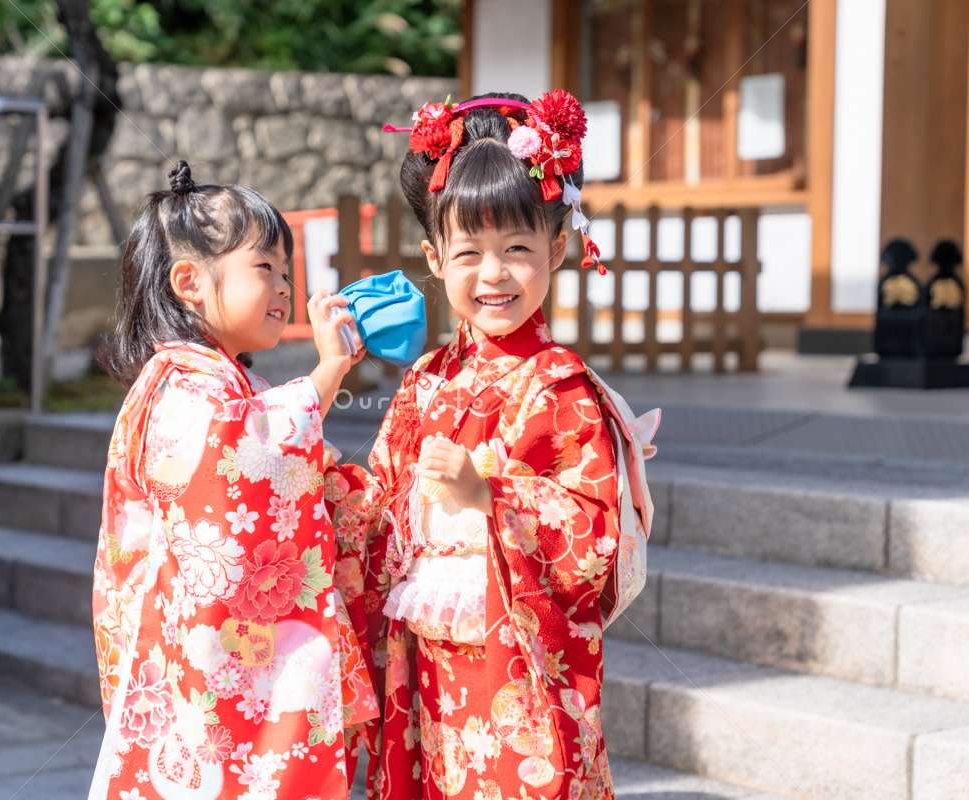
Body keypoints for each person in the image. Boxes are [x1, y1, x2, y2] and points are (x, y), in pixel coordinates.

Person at [328, 93, 658, 800]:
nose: (494, 274)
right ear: (434, 258)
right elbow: (379, 508)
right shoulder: (424, 381)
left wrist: (491, 496)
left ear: (557, 249)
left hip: (515, 662)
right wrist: (314, 480)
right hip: (424, 659)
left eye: (517, 248)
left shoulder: (561, 386)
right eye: (469, 253)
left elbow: (592, 529)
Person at [88, 161, 377, 800]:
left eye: (286, 271)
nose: (283, 286)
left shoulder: (219, 381)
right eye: (264, 268)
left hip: (203, 640)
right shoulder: (183, 385)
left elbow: (284, 457)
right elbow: (247, 462)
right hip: (196, 649)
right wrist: (331, 368)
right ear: (189, 281)